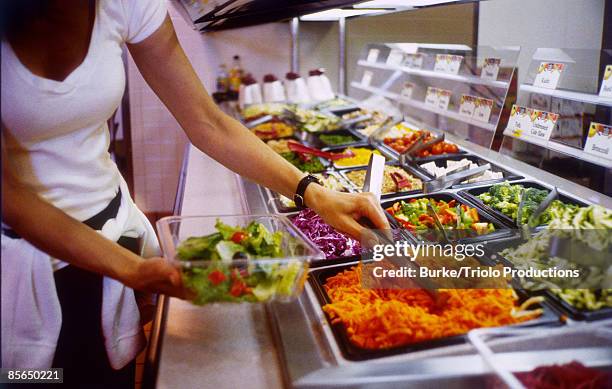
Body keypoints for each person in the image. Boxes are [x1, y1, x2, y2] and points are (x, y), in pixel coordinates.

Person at [0, 0, 389, 387]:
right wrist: (132, 269)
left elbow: (206, 121)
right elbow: (9, 195)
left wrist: (315, 193)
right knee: (36, 379)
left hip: (114, 234)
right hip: (22, 264)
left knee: (105, 375)